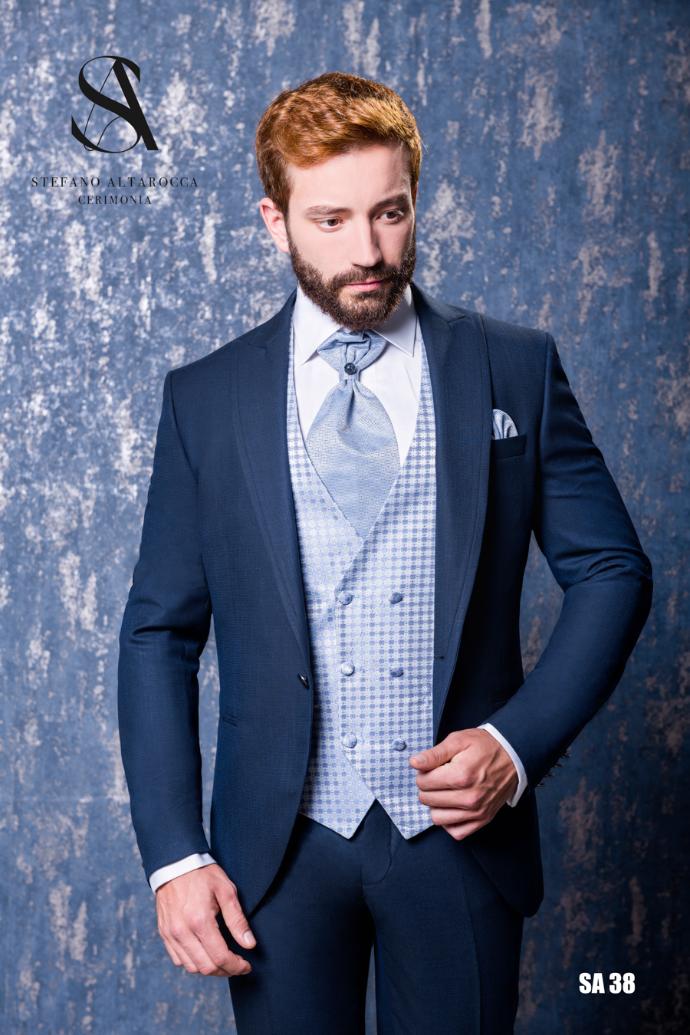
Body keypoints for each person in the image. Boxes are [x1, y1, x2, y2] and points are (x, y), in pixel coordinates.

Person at [117, 71, 653, 1034]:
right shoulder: (206, 398)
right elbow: (158, 633)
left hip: (459, 838)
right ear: (275, 222)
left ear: (413, 202)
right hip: (275, 850)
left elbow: (612, 569)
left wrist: (514, 744)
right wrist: (174, 854)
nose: (368, 252)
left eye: (390, 213)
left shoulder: (513, 366)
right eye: (331, 220)